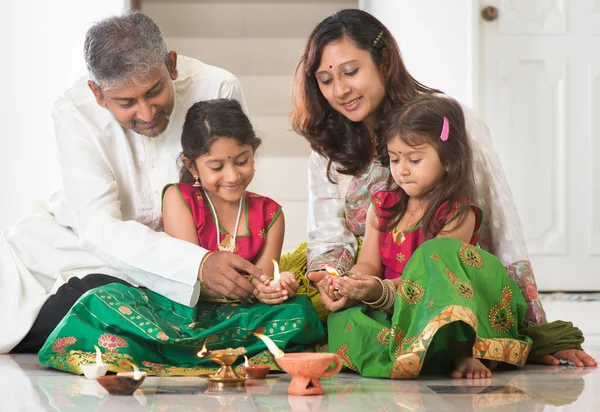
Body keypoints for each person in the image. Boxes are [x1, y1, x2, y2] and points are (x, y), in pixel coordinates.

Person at [289, 8, 596, 368]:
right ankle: (415, 354)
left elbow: (502, 229)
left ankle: (453, 345)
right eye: (325, 80)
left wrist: (537, 332)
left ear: (383, 59)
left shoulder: (450, 123)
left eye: (350, 72)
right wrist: (338, 284)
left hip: (459, 287)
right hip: (387, 293)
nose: (340, 90)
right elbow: (329, 239)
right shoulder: (328, 147)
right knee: (331, 317)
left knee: (435, 257)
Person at [1, 10, 262, 354]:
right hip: (81, 246)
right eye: (126, 102)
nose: (147, 113)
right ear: (98, 94)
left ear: (171, 65)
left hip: (194, 249)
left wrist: (217, 264)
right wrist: (194, 266)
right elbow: (98, 226)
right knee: (68, 300)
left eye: (155, 92)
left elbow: (232, 192)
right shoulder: (73, 110)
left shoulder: (216, 87)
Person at [37, 99, 324, 375]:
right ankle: (226, 354)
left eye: (242, 161)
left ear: (254, 152)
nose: (233, 175)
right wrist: (252, 285)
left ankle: (173, 352)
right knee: (101, 299)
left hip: (241, 316)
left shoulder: (271, 213)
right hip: (182, 312)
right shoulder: (179, 198)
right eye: (217, 167)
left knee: (299, 310)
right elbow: (190, 271)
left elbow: (261, 280)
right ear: (191, 166)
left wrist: (275, 287)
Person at [325, 94, 533, 379]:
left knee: (433, 253)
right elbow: (369, 264)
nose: (402, 170)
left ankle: (461, 351)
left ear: (447, 161)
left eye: (414, 159)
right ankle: (422, 355)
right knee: (343, 319)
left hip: (448, 310)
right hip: (398, 306)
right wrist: (353, 282)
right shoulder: (382, 206)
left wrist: (380, 291)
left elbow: (438, 279)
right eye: (395, 159)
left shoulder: (457, 213)